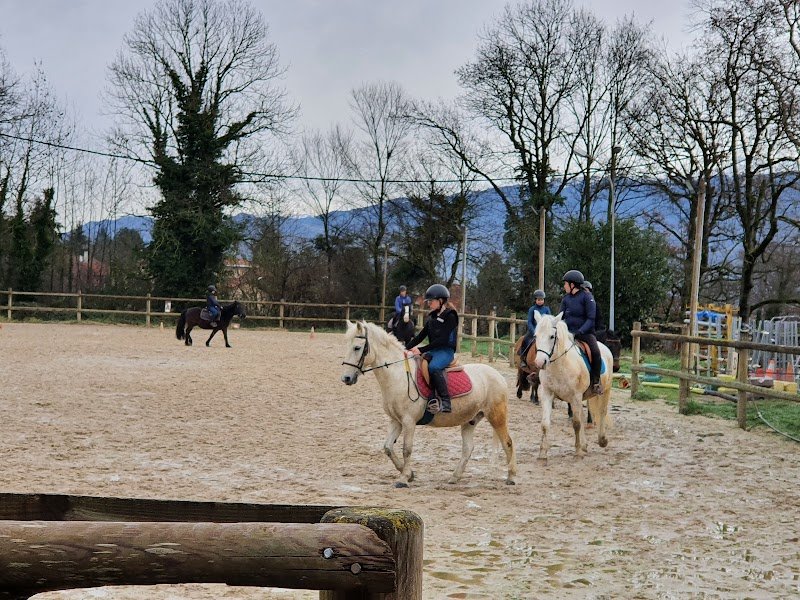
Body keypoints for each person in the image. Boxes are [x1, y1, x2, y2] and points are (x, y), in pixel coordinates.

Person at [405, 283, 459, 414]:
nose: (429, 304)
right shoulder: (432, 318)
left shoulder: (451, 316)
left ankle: (446, 401)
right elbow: (420, 336)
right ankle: (431, 396)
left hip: (446, 351)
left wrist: (421, 350)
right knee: (417, 363)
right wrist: (404, 348)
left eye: (431, 301)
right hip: (434, 350)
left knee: (433, 367)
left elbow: (443, 340)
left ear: (440, 301)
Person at [560, 270, 603, 396]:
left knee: (595, 352)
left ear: (572, 284)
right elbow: (561, 316)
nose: (564, 286)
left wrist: (580, 331)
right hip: (568, 333)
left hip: (585, 333)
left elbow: (591, 319)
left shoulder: (587, 297)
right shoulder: (566, 299)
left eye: (565, 284)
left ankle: (596, 381)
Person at [519, 289, 551, 368]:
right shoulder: (532, 309)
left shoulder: (546, 309)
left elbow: (549, 320)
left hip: (543, 332)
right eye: (538, 300)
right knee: (525, 340)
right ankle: (523, 357)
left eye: (542, 300)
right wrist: (534, 332)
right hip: (533, 330)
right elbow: (529, 322)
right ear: (535, 300)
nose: (540, 301)